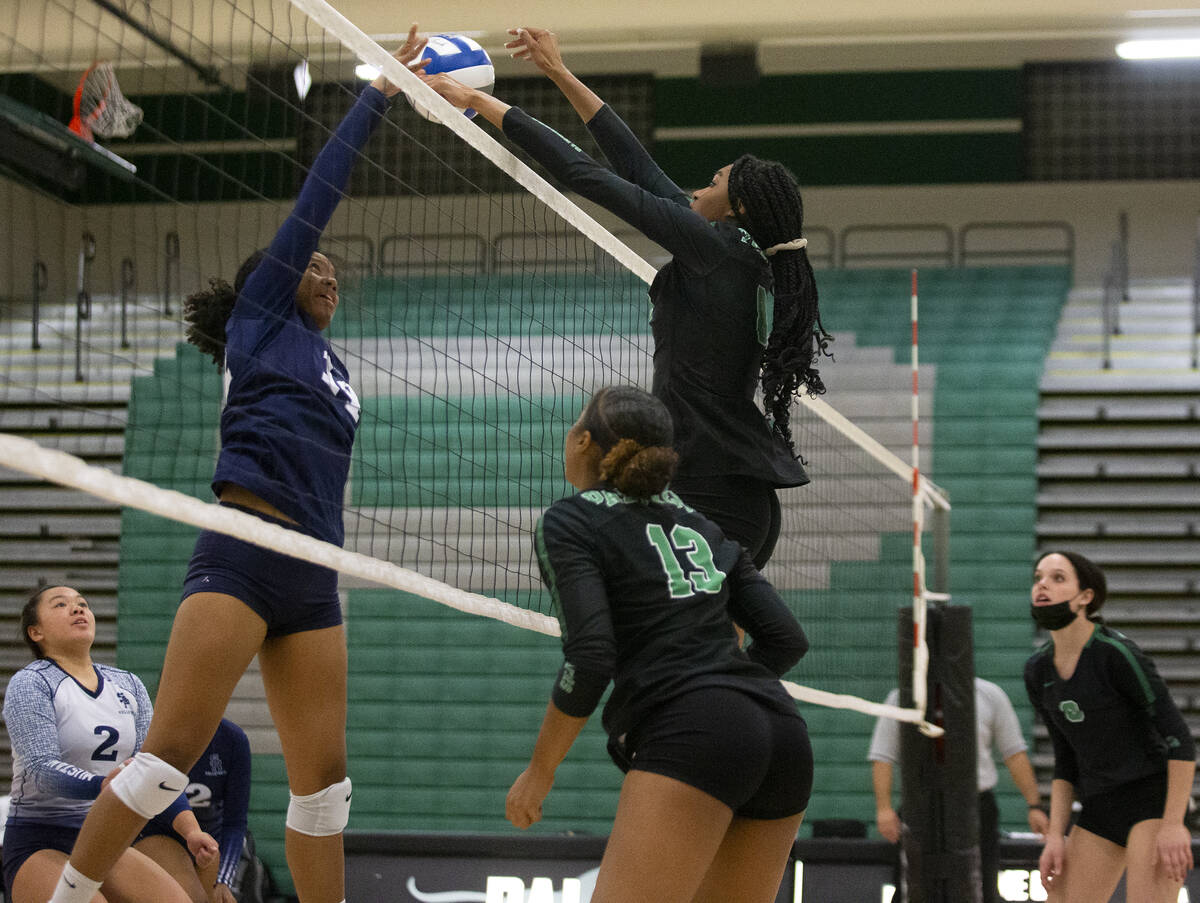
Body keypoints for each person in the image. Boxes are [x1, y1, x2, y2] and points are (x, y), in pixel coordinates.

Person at [46, 27, 432, 903]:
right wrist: (376, 97)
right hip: (245, 542)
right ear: (281, 279)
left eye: (333, 271)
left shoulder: (333, 367)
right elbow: (315, 206)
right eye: (317, 268)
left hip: (315, 567)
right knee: (167, 758)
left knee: (326, 784)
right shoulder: (263, 319)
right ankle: (65, 896)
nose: (329, 275)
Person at [422, 27, 832, 568]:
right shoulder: (733, 252)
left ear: (737, 209)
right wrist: (559, 72)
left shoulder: (714, 249)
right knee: (714, 649)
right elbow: (637, 165)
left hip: (711, 489)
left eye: (713, 182)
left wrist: (478, 101)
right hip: (731, 487)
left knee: (666, 632)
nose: (697, 190)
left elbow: (582, 174)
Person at [506, 385, 812, 902]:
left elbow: (591, 655)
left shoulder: (571, 520)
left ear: (582, 441)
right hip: (783, 735)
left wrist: (540, 772)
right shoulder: (704, 527)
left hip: (695, 732)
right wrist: (725, 695)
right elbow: (786, 641)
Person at [2, 585, 218, 903]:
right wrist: (100, 784)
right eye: (60, 605)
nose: (77, 609)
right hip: (41, 837)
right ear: (36, 632)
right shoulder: (31, 682)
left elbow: (153, 772)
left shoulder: (127, 683)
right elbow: (39, 769)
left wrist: (191, 831)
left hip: (105, 835)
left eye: (83, 604)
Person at [1025, 551, 1196, 902]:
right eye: (1039, 577)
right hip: (1100, 804)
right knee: (1060, 896)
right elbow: (1065, 761)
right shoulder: (1038, 671)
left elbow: (1180, 739)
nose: (1043, 584)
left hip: (1152, 799)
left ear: (1085, 597)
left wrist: (1173, 823)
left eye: (1058, 578)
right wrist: (1056, 835)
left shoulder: (1115, 654)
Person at [868, 678, 1051, 903]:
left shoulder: (989, 695)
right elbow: (882, 757)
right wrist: (884, 809)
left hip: (976, 807)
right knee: (912, 887)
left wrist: (1034, 805)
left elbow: (1014, 753)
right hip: (920, 807)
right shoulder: (901, 698)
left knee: (982, 887)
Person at [137, 719, 251, 903]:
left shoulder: (233, 739)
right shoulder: (158, 731)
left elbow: (235, 822)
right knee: (190, 897)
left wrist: (224, 880)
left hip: (207, 843)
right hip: (158, 833)